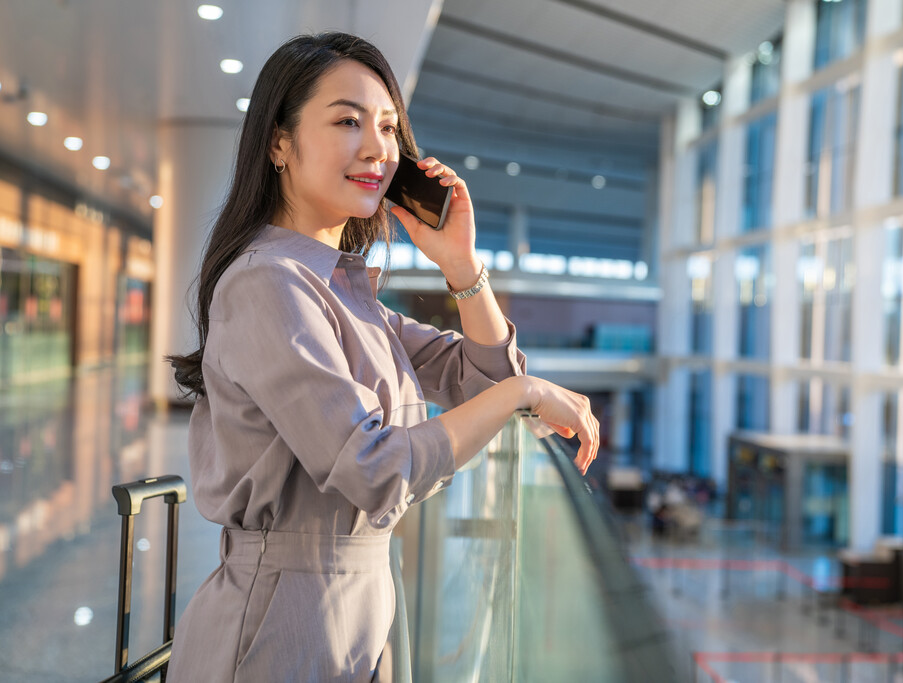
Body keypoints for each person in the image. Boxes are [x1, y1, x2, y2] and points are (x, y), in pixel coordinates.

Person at [164, 32, 599, 682]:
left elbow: (480, 377)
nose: (378, 148)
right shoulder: (269, 281)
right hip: (277, 628)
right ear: (279, 142)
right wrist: (523, 394)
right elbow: (376, 467)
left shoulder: (340, 285)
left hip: (357, 613)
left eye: (389, 126)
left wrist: (461, 265)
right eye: (347, 120)